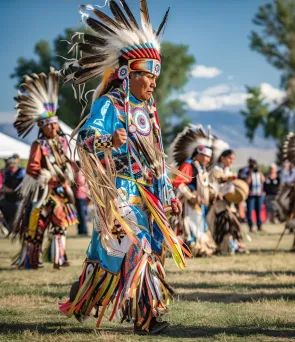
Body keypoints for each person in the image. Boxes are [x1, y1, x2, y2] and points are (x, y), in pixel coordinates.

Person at [59, 1, 190, 335]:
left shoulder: (148, 111)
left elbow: (157, 158)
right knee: (139, 246)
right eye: (148, 75)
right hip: (119, 191)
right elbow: (86, 140)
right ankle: (148, 319)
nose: (153, 82)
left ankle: (85, 295)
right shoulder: (109, 104)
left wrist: (168, 192)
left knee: (129, 252)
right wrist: (109, 142)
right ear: (127, 73)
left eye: (155, 76)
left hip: (147, 194)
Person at [10, 68, 78, 270]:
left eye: (55, 125)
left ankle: (58, 258)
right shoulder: (38, 146)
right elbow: (31, 168)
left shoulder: (63, 144)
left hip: (60, 191)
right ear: (41, 127)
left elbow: (70, 162)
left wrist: (67, 172)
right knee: (36, 227)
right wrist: (44, 175)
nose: (54, 128)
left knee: (60, 225)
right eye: (49, 125)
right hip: (43, 193)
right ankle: (30, 260)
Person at [171, 125, 217, 257]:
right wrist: (191, 197)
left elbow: (205, 185)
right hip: (189, 202)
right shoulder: (189, 164)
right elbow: (178, 182)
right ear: (198, 154)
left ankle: (201, 248)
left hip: (200, 202)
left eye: (209, 157)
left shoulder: (201, 168)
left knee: (199, 225)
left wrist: (212, 194)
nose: (208, 159)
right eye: (205, 156)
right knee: (190, 226)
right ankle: (191, 248)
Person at [209, 149, 247, 254]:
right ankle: (221, 247)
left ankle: (233, 246)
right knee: (223, 224)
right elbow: (213, 185)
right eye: (230, 158)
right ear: (222, 158)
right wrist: (217, 194)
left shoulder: (229, 171)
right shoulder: (216, 170)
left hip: (229, 203)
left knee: (233, 225)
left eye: (233, 159)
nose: (232, 161)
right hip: (219, 204)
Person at [0, 156, 25, 232]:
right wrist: (5, 189)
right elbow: (3, 184)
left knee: (17, 212)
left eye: (12, 164)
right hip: (7, 199)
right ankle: (7, 226)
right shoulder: (7, 172)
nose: (11, 166)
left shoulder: (22, 172)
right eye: (9, 164)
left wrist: (12, 190)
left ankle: (16, 228)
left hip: (18, 199)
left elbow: (23, 186)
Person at [246, 159, 265, 232]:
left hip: (259, 194)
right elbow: (247, 181)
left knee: (259, 211)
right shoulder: (248, 172)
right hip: (251, 195)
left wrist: (259, 171)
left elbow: (263, 180)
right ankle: (251, 226)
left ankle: (259, 225)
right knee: (250, 210)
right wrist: (251, 173)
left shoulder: (259, 173)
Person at [73, 161, 89, 236]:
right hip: (82, 195)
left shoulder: (79, 173)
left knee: (81, 213)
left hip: (79, 195)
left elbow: (79, 182)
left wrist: (73, 183)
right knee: (80, 213)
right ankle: (81, 229)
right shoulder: (82, 172)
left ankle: (83, 230)